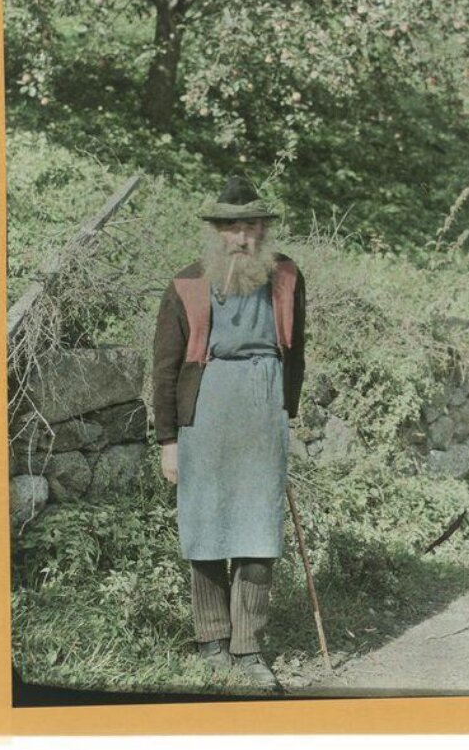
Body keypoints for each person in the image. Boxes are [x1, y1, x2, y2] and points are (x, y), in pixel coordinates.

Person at [152, 176, 306, 689]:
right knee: (207, 526)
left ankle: (250, 648)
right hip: (206, 411)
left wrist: (286, 415)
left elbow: (296, 353)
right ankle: (212, 639)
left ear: (264, 230)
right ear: (217, 232)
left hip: (262, 409)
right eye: (232, 229)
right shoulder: (186, 284)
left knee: (258, 528)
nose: (242, 239)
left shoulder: (286, 277)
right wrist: (168, 442)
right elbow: (166, 368)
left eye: (252, 228)